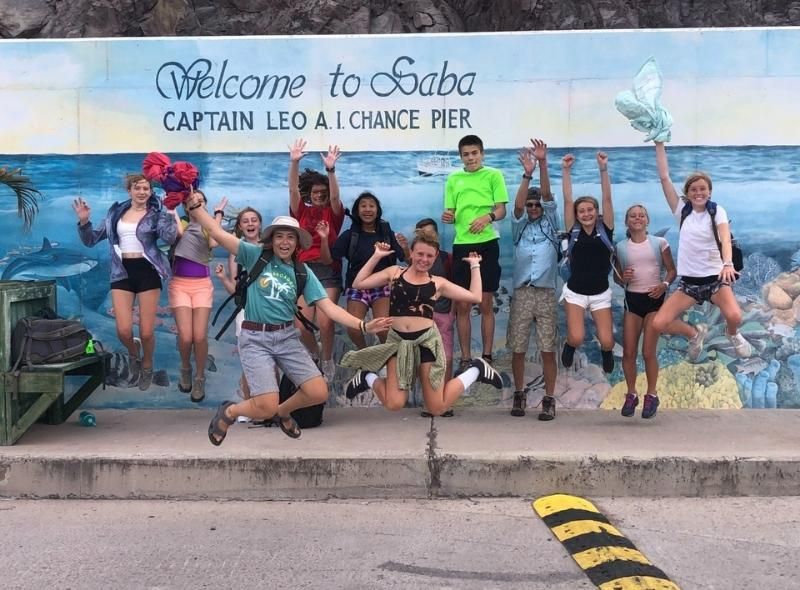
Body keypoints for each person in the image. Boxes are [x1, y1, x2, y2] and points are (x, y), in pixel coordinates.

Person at [184, 195, 391, 445]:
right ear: (271, 240)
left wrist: (362, 325)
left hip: (287, 338)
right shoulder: (255, 255)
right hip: (256, 338)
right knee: (264, 405)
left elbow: (328, 307)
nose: (285, 241)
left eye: (290, 237)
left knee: (317, 392)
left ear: (297, 243)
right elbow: (218, 232)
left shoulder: (302, 272)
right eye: (280, 236)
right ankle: (230, 411)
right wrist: (197, 208)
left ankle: (282, 413)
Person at [341, 229, 503, 415]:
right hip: (398, 343)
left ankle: (477, 369)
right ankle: (367, 377)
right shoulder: (394, 273)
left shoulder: (438, 283)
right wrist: (376, 256)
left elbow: (475, 297)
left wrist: (475, 266)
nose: (424, 259)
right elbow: (358, 283)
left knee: (437, 407)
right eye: (420, 254)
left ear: (435, 258)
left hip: (427, 342)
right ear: (411, 252)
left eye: (430, 256)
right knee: (394, 403)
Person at [650, 141, 751, 380]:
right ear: (688, 192)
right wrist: (659, 143)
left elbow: (725, 238)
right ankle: (694, 335)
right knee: (659, 323)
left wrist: (727, 263)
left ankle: (733, 334)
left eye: (703, 189)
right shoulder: (682, 211)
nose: (699, 193)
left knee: (735, 316)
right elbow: (664, 177)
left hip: (715, 280)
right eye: (694, 189)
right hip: (689, 284)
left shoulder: (717, 211)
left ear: (710, 191)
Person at [73, 174, 178, 390]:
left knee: (147, 332)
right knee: (123, 330)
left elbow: (169, 237)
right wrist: (84, 221)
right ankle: (134, 354)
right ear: (129, 191)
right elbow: (91, 239)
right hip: (122, 273)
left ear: (150, 191)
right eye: (137, 188)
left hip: (147, 271)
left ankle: (147, 365)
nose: (142, 192)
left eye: (146, 188)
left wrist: (168, 212)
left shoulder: (155, 213)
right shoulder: (115, 214)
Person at [615, 204, 693, 418]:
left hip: (654, 300)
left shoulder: (660, 243)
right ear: (627, 222)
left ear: (647, 220)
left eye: (641, 215)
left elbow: (672, 270)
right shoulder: (620, 247)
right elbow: (617, 277)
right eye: (633, 216)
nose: (637, 218)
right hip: (632, 301)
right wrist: (624, 279)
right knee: (629, 352)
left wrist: (664, 286)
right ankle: (631, 394)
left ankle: (651, 394)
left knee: (648, 352)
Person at [441, 134, 508, 375]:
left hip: (488, 243)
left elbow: (501, 210)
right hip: (462, 245)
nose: (471, 158)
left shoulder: (493, 175)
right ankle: (466, 357)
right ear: (461, 157)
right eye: (466, 154)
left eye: (474, 153)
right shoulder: (453, 178)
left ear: (482, 153)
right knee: (462, 304)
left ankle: (487, 355)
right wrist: (448, 216)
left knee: (486, 301)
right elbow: (450, 212)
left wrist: (487, 217)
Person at [508, 140, 560, 420]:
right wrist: (526, 175)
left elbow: (550, 196)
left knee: (547, 348)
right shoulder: (519, 228)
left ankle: (549, 398)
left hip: (546, 293)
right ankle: (519, 393)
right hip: (522, 293)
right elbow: (515, 207)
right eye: (530, 204)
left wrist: (541, 163)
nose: (533, 207)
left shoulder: (551, 222)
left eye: (536, 204)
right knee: (518, 347)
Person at [288, 139, 345, 381]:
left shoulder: (334, 214)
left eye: (323, 192)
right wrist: (295, 163)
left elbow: (335, 199)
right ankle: (314, 354)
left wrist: (331, 171)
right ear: (309, 194)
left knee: (326, 322)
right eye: (316, 193)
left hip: (327, 270)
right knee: (300, 326)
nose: (320, 195)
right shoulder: (302, 211)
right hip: (303, 271)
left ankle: (328, 358)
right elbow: (292, 191)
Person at [560, 152, 616, 374]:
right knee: (577, 336)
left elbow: (608, 199)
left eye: (590, 210)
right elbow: (566, 199)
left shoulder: (606, 229)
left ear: (597, 212)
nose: (586, 214)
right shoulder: (572, 231)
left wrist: (603, 169)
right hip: (575, 292)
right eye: (581, 211)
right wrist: (565, 171)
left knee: (607, 341)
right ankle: (569, 345)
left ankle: (606, 352)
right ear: (576, 214)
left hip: (601, 293)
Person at [169, 190, 227, 402]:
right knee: (186, 336)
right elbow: (176, 234)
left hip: (202, 285)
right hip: (179, 285)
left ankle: (200, 377)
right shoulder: (182, 222)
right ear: (186, 206)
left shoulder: (208, 226)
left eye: (201, 201)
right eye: (193, 202)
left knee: (200, 336)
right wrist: (172, 207)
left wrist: (218, 215)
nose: (197, 204)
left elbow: (214, 242)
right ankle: (186, 367)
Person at [331, 191, 409, 349]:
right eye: (363, 206)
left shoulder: (387, 234)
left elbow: (406, 260)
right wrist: (324, 236)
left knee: (383, 328)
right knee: (353, 328)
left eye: (371, 206)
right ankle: (365, 353)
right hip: (357, 286)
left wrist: (406, 248)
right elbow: (332, 257)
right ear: (357, 211)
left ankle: (386, 357)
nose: (367, 209)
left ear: (377, 210)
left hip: (383, 286)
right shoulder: (350, 235)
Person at [214, 206, 263, 421]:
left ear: (260, 224)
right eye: (246, 221)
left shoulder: (269, 248)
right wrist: (224, 278)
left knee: (275, 358)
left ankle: (272, 407)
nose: (250, 224)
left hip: (271, 309)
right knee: (249, 359)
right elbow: (235, 288)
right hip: (245, 308)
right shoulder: (236, 251)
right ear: (240, 226)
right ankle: (249, 406)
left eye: (254, 220)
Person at [414, 218, 456, 418]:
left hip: (444, 313)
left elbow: (454, 286)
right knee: (426, 360)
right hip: (423, 317)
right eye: (423, 234)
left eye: (430, 233)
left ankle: (445, 402)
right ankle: (428, 403)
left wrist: (452, 312)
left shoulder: (447, 258)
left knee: (446, 358)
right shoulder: (415, 261)